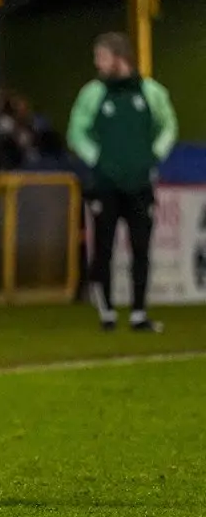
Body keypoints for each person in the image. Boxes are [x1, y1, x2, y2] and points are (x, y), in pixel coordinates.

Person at [67, 31, 178, 332]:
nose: (97, 63)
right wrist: (98, 160)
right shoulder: (92, 93)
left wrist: (152, 156)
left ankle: (139, 313)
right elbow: (76, 131)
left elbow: (168, 125)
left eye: (101, 57)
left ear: (119, 58)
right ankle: (107, 312)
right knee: (103, 248)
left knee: (141, 248)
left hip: (140, 184)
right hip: (105, 185)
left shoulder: (151, 92)